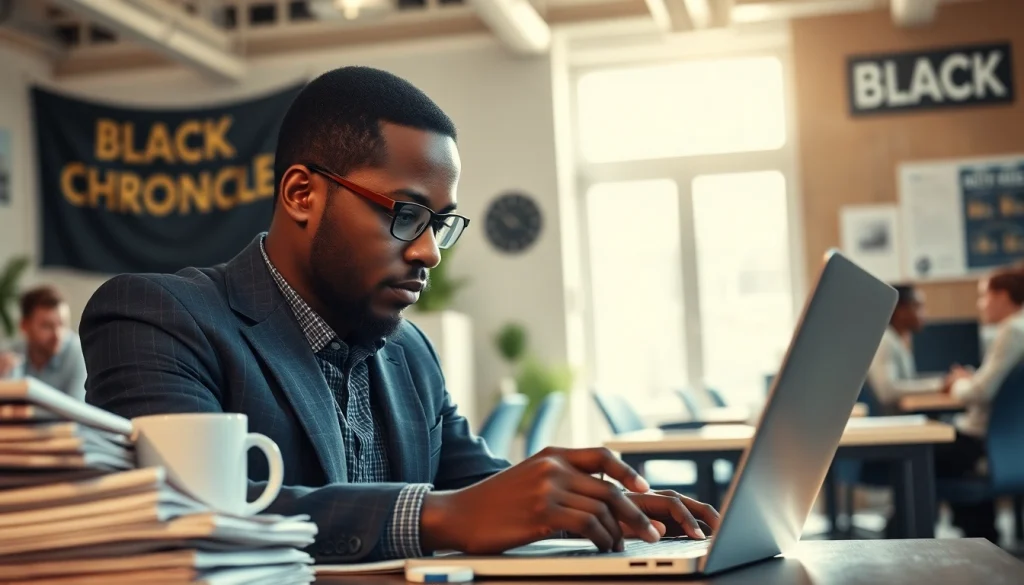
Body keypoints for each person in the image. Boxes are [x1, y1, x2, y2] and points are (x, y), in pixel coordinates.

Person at [81, 66, 719, 564]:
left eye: (440, 224)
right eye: (407, 214)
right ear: (302, 194)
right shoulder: (158, 317)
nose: (429, 252)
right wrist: (441, 516)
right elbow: (183, 510)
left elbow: (481, 492)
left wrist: (599, 508)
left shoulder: (409, 351)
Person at [937, 265, 1024, 542]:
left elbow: (981, 393)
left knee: (922, 453)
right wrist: (972, 379)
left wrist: (957, 384)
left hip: (985, 440)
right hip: (1010, 440)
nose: (980, 304)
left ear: (1002, 296)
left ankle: (976, 535)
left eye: (984, 296)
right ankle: (981, 532)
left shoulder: (1013, 330)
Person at [0, 285, 87, 400]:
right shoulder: (10, 355)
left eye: (62, 324)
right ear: (24, 326)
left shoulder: (79, 354)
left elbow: (76, 408)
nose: (58, 335)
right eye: (47, 326)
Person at [865, 284, 926, 412]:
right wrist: (938, 387)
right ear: (900, 311)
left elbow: (908, 382)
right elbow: (887, 392)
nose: (924, 314)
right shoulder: (885, 341)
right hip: (895, 419)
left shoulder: (898, 340)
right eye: (917, 306)